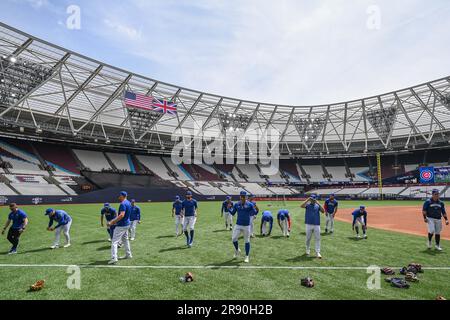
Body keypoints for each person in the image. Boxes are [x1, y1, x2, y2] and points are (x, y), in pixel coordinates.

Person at [228, 191, 257, 263]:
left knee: (247, 240)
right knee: (234, 238)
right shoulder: (237, 204)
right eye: (241, 196)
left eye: (244, 196)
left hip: (246, 226)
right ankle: (237, 250)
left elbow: (254, 212)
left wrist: (254, 208)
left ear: (246, 197)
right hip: (238, 224)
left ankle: (247, 256)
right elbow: (233, 213)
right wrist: (229, 208)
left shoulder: (250, 204)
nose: (242, 198)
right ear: (240, 197)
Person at [108, 191, 132, 264]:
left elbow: (122, 215)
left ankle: (114, 257)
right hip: (127, 224)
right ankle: (128, 254)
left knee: (114, 242)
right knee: (125, 240)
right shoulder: (128, 202)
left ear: (122, 196)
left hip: (122, 225)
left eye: (120, 195)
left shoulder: (123, 204)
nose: (119, 197)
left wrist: (112, 222)